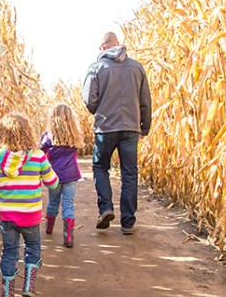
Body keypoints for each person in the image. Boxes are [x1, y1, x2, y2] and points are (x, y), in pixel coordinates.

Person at [0, 113, 59, 297]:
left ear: (2, 135)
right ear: (28, 133)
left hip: (6, 216)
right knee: (32, 247)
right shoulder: (38, 157)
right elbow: (53, 183)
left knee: (9, 251)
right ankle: (29, 286)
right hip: (30, 215)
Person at [82, 31, 152, 235]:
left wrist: (99, 109)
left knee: (100, 166)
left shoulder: (96, 68)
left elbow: (89, 100)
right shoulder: (137, 67)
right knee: (129, 173)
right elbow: (145, 100)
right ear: (118, 44)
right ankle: (128, 223)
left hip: (105, 127)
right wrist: (144, 126)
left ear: (103, 48)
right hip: (130, 128)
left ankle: (106, 208)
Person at [39, 104, 84, 247]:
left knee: (53, 202)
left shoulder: (48, 136)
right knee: (68, 204)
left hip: (54, 176)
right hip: (71, 176)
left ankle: (49, 228)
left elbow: (40, 151)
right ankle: (68, 237)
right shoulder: (74, 135)